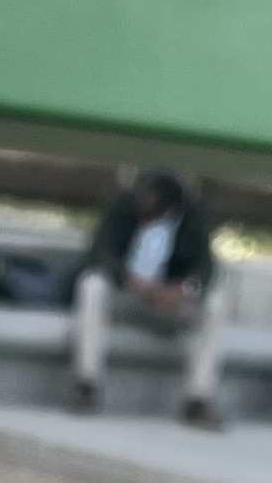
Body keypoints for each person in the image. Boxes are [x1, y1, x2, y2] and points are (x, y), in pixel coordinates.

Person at [70, 170, 224, 426]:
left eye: (151, 203)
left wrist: (183, 290)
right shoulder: (122, 207)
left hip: (170, 303)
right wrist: (131, 280)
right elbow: (100, 254)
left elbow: (205, 267)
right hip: (127, 296)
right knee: (92, 285)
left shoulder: (191, 217)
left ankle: (199, 400)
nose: (142, 207)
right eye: (141, 199)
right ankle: (87, 385)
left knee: (215, 305)